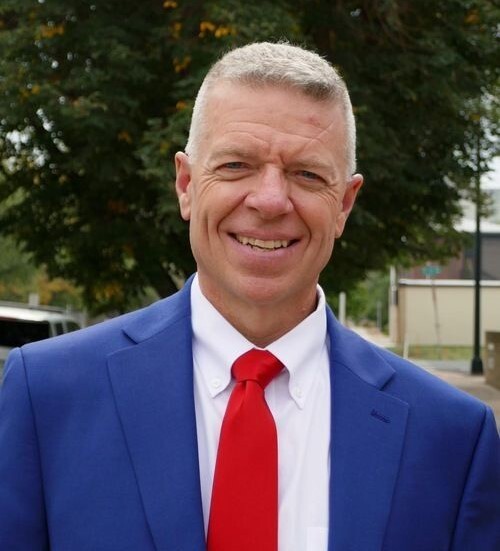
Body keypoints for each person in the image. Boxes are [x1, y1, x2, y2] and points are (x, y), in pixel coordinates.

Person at [0, 42, 498, 551]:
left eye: (307, 174)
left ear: (344, 205)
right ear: (187, 185)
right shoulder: (48, 397)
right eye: (237, 165)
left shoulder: (452, 437)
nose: (270, 200)